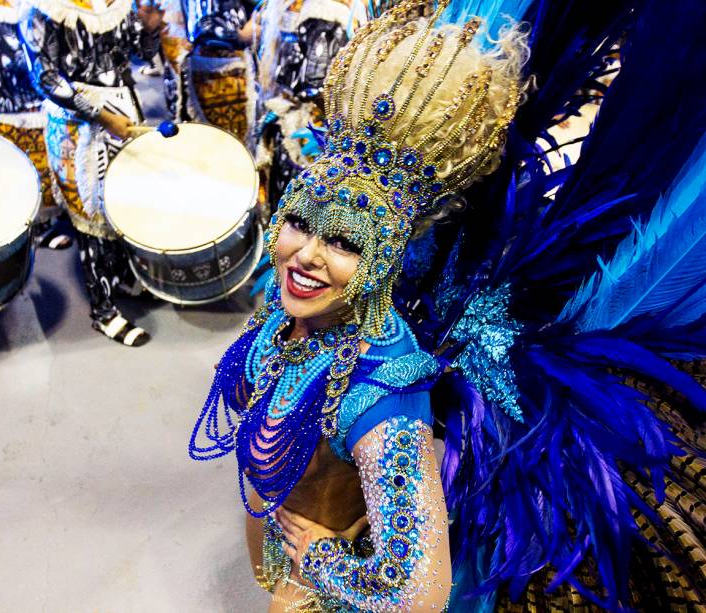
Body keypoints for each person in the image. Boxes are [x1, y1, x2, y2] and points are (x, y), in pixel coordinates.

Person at [191, 0, 706, 610]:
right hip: (275, 536)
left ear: (383, 255)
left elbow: (418, 595)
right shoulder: (294, 312)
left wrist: (320, 560)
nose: (305, 256)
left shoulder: (380, 393)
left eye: (345, 242)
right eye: (301, 222)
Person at [23, 0, 162, 346]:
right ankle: (104, 312)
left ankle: (121, 280)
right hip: (78, 125)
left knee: (122, 205)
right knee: (92, 220)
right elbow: (44, 75)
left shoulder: (118, 4)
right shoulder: (45, 9)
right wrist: (98, 113)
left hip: (122, 112)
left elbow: (140, 54)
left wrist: (150, 28)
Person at [0, 0, 71, 249]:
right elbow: (14, 60)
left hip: (31, 103)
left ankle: (51, 220)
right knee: (25, 170)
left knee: (48, 166)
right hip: (15, 105)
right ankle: (36, 225)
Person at [254, 0, 349, 217]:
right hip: (302, 128)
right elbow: (314, 85)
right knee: (296, 211)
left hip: (290, 120)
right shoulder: (328, 11)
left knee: (284, 209)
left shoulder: (299, 6)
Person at [161, 0, 259, 143]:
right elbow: (201, 24)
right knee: (212, 141)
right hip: (209, 65)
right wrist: (239, 35)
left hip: (232, 64)